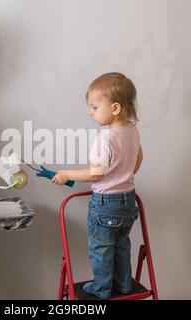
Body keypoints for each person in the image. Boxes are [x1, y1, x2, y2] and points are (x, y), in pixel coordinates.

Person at [52, 72, 143, 299]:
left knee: (101, 250)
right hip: (128, 200)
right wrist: (124, 175)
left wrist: (66, 174)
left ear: (114, 108)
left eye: (94, 107)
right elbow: (138, 159)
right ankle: (123, 285)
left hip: (106, 204)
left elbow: (96, 174)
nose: (90, 112)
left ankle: (102, 290)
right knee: (122, 246)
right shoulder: (132, 131)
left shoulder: (106, 137)